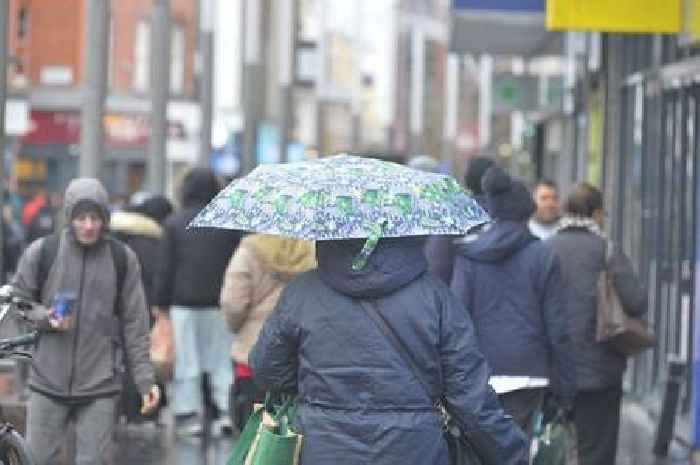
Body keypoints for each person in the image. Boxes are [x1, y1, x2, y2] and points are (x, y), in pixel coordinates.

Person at [249, 236, 529, 465]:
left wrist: (315, 388)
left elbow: (265, 367)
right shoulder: (435, 296)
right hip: (416, 449)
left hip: (324, 447)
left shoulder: (301, 292)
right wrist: (511, 453)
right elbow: (470, 397)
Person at [11, 177, 160, 465]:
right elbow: (19, 303)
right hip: (46, 382)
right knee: (37, 460)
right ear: (69, 217)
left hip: (100, 385)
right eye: (81, 218)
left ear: (105, 219)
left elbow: (135, 325)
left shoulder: (122, 259)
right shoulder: (43, 252)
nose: (89, 225)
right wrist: (46, 317)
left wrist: (145, 382)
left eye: (95, 218)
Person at [450, 166, 575, 436]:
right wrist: (565, 388)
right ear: (525, 213)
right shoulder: (542, 256)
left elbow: (457, 320)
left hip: (482, 373)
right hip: (529, 372)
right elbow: (557, 326)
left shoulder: (469, 256)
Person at [547, 182, 646, 465]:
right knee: (596, 453)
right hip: (600, 372)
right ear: (597, 213)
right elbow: (637, 301)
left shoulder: (545, 249)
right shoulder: (607, 250)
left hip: (555, 371)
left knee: (553, 448)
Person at [152, 167, 243, 437]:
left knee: (186, 362)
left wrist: (160, 303)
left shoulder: (174, 223)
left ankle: (188, 414)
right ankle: (226, 413)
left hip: (184, 303)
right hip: (219, 303)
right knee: (220, 361)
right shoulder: (228, 223)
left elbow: (165, 267)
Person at [219, 234, 316, 430]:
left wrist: (236, 327)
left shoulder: (249, 250)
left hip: (251, 354)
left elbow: (233, 303)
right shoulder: (314, 252)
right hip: (300, 357)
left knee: (253, 433)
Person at [111, 192, 173, 426]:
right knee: (139, 359)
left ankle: (120, 409)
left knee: (119, 360)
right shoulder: (153, 243)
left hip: (113, 308)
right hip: (142, 309)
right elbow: (156, 280)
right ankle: (141, 410)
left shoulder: (117, 236)